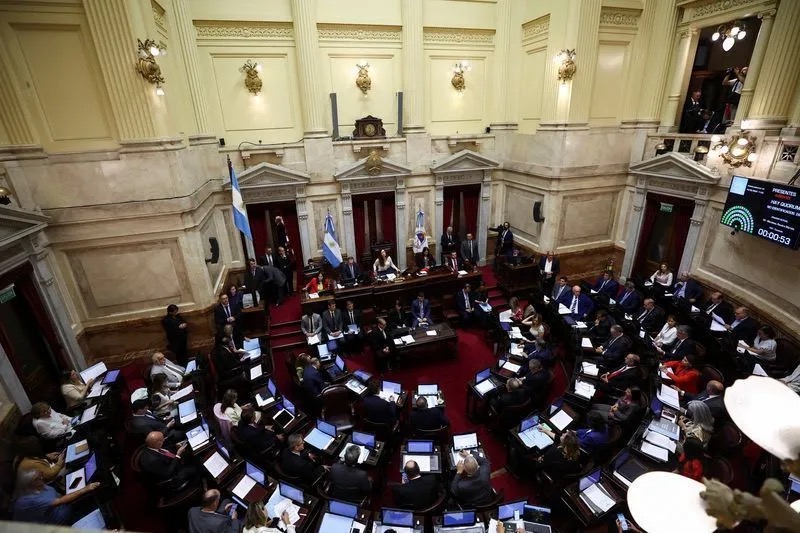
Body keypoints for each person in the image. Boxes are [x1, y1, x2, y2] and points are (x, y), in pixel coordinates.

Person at [13, 469, 99, 525]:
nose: (41, 478)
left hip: (65, 500)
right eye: (37, 479)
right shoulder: (32, 500)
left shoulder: (36, 486)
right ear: (30, 484)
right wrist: (86, 489)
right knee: (94, 502)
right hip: (63, 518)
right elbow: (61, 501)